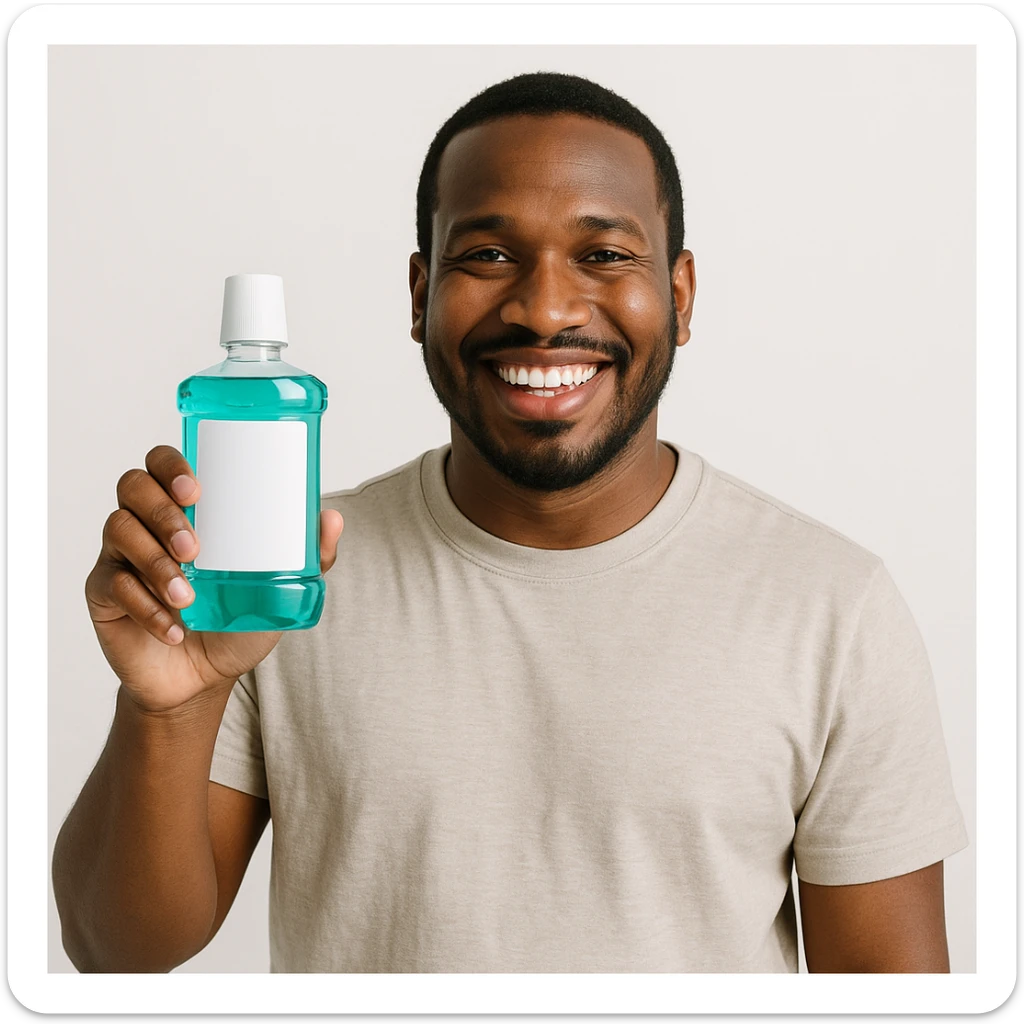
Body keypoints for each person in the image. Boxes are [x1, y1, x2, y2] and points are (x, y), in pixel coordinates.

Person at [52, 72, 967, 974]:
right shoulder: (281, 580)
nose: (544, 309)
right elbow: (116, 952)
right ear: (419, 296)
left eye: (604, 254)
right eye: (488, 256)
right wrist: (166, 705)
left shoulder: (830, 607)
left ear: (681, 295)